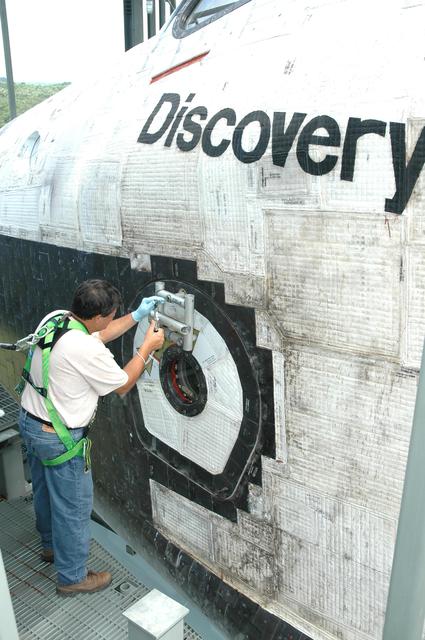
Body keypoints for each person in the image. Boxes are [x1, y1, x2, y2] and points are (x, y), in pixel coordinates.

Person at [18, 279, 165, 596]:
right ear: (98, 315)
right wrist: (147, 348)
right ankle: (72, 578)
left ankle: (50, 547)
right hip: (59, 439)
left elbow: (98, 335)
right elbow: (123, 383)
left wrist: (137, 316)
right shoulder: (87, 350)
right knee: (73, 509)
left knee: (45, 491)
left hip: (31, 424)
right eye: (111, 316)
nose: (112, 320)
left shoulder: (58, 319)